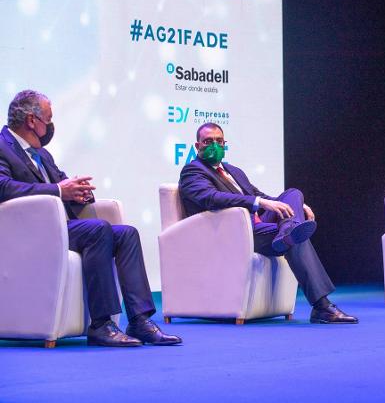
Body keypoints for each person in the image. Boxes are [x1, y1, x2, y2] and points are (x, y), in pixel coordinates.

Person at [0, 90, 181, 346]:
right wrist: (61, 190)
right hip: (28, 233)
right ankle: (101, 324)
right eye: (48, 119)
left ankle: (139, 320)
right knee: (98, 230)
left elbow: (62, 183)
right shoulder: (3, 146)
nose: (51, 126)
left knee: (126, 233)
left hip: (60, 227)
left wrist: (78, 193)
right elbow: (4, 187)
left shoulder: (41, 153)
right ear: (32, 121)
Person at [179, 122, 358, 324]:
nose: (214, 145)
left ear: (225, 143)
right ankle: (322, 307)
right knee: (295, 236)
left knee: (293, 194)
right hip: (233, 233)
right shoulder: (192, 172)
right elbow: (211, 198)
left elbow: (260, 195)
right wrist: (257, 202)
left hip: (256, 227)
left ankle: (288, 229)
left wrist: (296, 205)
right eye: (208, 141)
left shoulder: (234, 171)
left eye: (219, 141)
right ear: (197, 146)